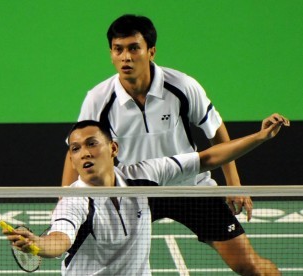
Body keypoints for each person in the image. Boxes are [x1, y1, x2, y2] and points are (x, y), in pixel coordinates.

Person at [61, 14, 281, 275]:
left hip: (189, 186)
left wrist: (234, 184)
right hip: (135, 196)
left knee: (250, 266)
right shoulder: (98, 99)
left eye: (134, 48)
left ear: (151, 51)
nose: (126, 57)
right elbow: (75, 149)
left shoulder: (182, 86)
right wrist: (67, 200)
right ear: (111, 53)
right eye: (118, 50)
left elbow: (215, 131)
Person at [5, 114, 289, 276]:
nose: (84, 153)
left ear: (113, 149)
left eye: (92, 144)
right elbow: (60, 240)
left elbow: (207, 158)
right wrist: (38, 244)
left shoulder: (143, 175)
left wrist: (259, 138)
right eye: (75, 149)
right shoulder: (75, 199)